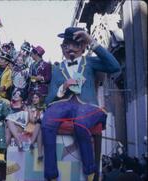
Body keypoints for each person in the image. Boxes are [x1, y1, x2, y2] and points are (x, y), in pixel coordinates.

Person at [42, 27, 120, 181]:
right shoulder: (57, 69)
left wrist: (91, 40)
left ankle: (90, 171)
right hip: (62, 105)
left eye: (76, 45)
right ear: (62, 48)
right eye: (67, 45)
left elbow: (115, 66)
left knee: (81, 123)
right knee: (47, 122)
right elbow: (48, 101)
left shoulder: (90, 62)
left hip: (87, 106)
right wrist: (63, 88)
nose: (71, 49)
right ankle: (51, 174)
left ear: (83, 47)